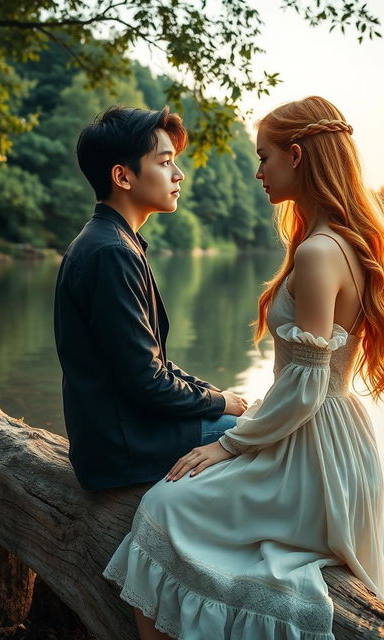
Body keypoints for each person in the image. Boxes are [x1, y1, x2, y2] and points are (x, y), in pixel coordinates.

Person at [103, 95, 384, 639]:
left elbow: (308, 386)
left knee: (163, 507)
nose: (258, 171)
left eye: (264, 157)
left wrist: (229, 444)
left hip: (311, 447)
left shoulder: (319, 252)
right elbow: (307, 384)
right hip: (329, 436)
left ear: (297, 156)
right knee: (176, 499)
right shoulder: (338, 243)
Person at [53, 105, 248, 491]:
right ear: (122, 176)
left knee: (250, 424)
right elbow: (145, 380)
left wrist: (214, 394)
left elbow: (149, 363)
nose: (179, 174)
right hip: (123, 448)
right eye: (165, 162)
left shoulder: (114, 241)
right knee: (264, 438)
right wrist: (219, 404)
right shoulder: (111, 252)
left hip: (125, 432)